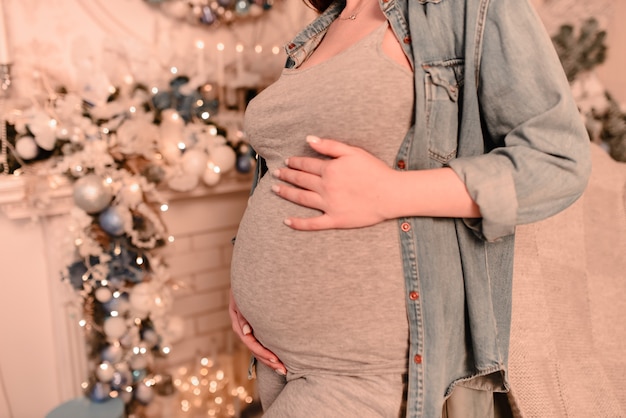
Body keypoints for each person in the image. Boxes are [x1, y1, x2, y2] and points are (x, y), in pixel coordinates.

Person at [228, 0, 591, 416]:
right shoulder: (323, 26)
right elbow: (284, 167)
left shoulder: (463, 8)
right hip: (277, 358)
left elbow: (558, 160)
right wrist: (245, 280)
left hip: (364, 369)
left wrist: (391, 192)